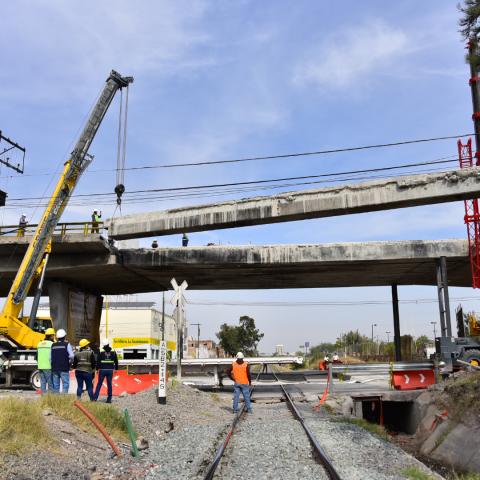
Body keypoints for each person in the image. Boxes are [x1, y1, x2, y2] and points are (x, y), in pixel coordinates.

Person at [93, 339, 118, 403]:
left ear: (103, 345)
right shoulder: (113, 351)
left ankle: (95, 398)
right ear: (108, 344)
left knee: (99, 384)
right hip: (110, 370)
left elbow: (98, 361)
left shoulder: (100, 351)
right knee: (109, 384)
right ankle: (109, 399)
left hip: (102, 370)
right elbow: (116, 361)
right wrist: (116, 369)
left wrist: (96, 369)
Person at [51, 329, 74, 394]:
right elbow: (72, 356)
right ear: (64, 337)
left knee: (56, 385)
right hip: (64, 367)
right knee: (65, 384)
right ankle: (63, 399)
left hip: (55, 368)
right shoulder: (67, 344)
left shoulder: (53, 345)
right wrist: (70, 363)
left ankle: (56, 400)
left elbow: (50, 358)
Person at [37, 328, 55, 394]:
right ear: (51, 336)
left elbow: (37, 356)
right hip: (48, 366)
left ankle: (43, 398)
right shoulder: (52, 344)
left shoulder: (39, 344)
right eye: (53, 335)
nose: (54, 337)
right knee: (50, 383)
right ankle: (51, 398)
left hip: (40, 366)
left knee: (43, 383)